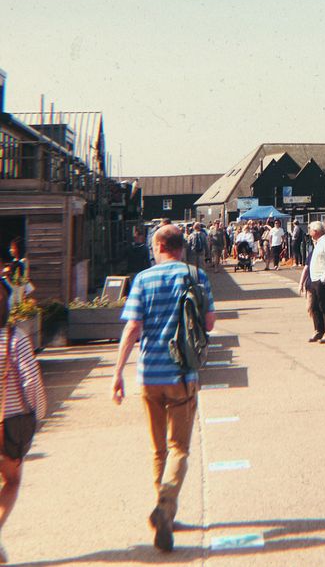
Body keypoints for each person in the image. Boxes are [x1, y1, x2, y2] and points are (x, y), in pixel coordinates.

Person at [112, 224, 215, 553]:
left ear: (158, 246)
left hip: (149, 376)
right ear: (182, 247)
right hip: (182, 373)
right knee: (179, 449)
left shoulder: (143, 279)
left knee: (158, 449)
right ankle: (166, 507)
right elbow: (210, 322)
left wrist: (117, 373)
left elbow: (132, 328)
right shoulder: (196, 276)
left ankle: (164, 507)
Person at [0, 278, 47, 564]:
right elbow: (31, 382)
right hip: (9, 423)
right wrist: (38, 413)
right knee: (13, 481)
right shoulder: (15, 338)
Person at [307, 220, 325, 343]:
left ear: (316, 231)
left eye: (310, 230)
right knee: (314, 307)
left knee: (324, 306)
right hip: (314, 279)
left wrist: (323, 279)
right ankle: (318, 330)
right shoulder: (318, 242)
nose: (309, 233)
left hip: (323, 280)